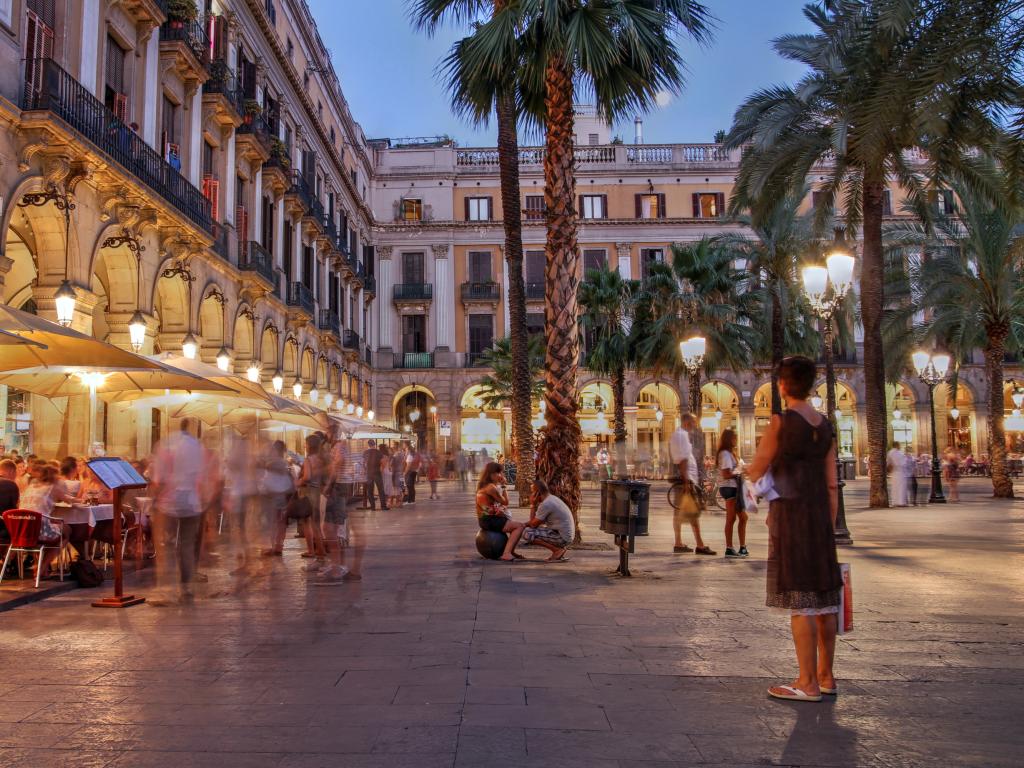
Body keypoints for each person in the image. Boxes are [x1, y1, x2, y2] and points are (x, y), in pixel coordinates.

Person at [748, 356, 842, 703]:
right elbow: (832, 485)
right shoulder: (826, 426)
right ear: (812, 384)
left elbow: (757, 469)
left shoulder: (782, 423)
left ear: (782, 386)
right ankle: (827, 676)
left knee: (801, 601)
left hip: (792, 516)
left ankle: (806, 683)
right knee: (824, 598)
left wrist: (752, 473)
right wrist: (828, 525)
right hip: (820, 519)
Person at [150, 418, 205, 600]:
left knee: (166, 544)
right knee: (187, 545)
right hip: (191, 501)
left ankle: (166, 589)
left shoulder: (165, 446)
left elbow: (158, 479)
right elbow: (201, 476)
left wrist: (154, 501)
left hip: (169, 501)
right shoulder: (197, 446)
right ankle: (186, 587)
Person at [669, 414, 715, 555]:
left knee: (680, 512)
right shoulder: (681, 435)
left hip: (685, 479)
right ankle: (700, 545)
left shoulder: (680, 434)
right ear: (687, 421)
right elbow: (682, 459)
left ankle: (678, 543)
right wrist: (686, 482)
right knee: (693, 512)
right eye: (694, 421)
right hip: (686, 480)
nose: (696, 424)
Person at [320, 424, 360, 583]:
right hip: (338, 488)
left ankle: (337, 569)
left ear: (332, 433)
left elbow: (339, 463)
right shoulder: (338, 446)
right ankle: (336, 565)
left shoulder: (339, 446)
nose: (326, 435)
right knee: (331, 528)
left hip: (337, 488)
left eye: (327, 432)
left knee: (331, 529)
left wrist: (329, 484)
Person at [20, 462, 73, 579]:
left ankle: (40, 566)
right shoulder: (53, 487)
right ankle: (41, 568)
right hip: (38, 530)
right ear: (55, 476)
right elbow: (70, 500)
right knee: (66, 532)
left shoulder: (30, 487)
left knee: (51, 527)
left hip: (21, 531)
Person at [475, 461, 525, 562]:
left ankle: (510, 551)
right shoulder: (491, 488)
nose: (501, 475)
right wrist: (503, 486)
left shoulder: (484, 485)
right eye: (499, 473)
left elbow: (499, 505)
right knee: (520, 526)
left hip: (485, 519)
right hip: (490, 520)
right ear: (491, 474)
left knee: (514, 524)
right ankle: (506, 553)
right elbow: (505, 502)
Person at [522, 478, 574, 562]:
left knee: (527, 533)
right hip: (565, 535)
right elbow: (536, 521)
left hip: (563, 538)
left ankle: (556, 550)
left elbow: (533, 525)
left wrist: (532, 504)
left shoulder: (546, 504)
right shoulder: (551, 498)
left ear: (537, 493)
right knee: (527, 529)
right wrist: (523, 524)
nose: (530, 495)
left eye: (532, 492)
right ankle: (558, 549)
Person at [294, 434, 327, 560]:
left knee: (307, 523)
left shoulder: (309, 460)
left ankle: (311, 550)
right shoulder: (320, 459)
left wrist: (298, 482)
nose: (304, 445)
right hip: (316, 491)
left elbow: (307, 477)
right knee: (316, 524)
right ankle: (321, 550)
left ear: (310, 445)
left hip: (307, 493)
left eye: (306, 443)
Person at [718, 428, 748, 558]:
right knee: (731, 518)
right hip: (729, 488)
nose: (736, 440)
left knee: (742, 517)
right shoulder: (725, 454)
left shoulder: (730, 453)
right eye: (734, 438)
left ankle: (742, 547)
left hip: (733, 487)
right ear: (729, 439)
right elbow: (726, 474)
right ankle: (729, 548)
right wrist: (739, 472)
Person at [362, 439, 387, 511]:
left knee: (370, 490)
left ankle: (373, 507)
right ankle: (383, 506)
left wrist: (365, 470)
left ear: (368, 445)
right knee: (381, 490)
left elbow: (363, 463)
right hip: (377, 472)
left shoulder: (365, 452)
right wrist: (381, 470)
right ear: (374, 444)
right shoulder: (379, 452)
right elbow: (383, 462)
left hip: (369, 473)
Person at [0, 459, 20, 546]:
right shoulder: (11, 484)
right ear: (11, 471)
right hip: (2, 527)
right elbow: (15, 509)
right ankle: (11, 558)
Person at [886, 442, 909, 507]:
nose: (900, 446)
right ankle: (901, 502)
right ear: (897, 445)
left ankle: (895, 502)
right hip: (901, 472)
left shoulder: (890, 453)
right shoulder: (900, 453)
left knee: (894, 488)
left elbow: (888, 462)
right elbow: (904, 463)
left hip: (894, 473)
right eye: (899, 445)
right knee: (901, 487)